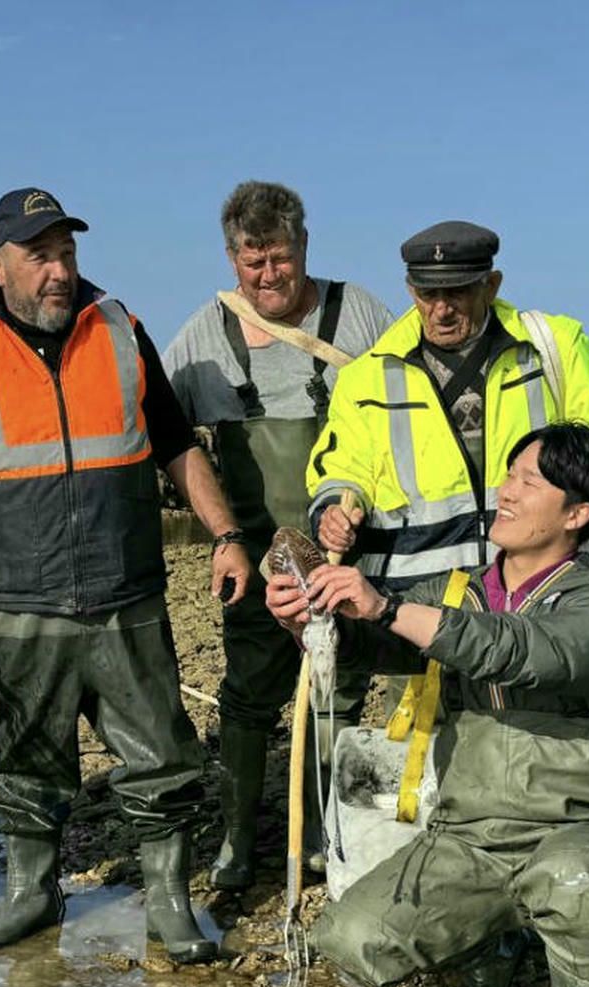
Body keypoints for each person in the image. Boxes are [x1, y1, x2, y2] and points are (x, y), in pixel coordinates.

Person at [268, 422, 589, 987]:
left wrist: (385, 603)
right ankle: (494, 941)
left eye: (528, 482)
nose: (504, 491)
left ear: (577, 514)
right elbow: (373, 643)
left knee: (581, 891)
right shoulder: (460, 592)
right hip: (471, 831)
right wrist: (315, 619)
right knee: (352, 940)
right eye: (508, 474)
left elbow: (523, 652)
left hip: (578, 827)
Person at [0, 187, 250, 964]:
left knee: (161, 758)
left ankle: (169, 903)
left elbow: (177, 444)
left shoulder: (120, 330)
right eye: (40, 256)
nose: (59, 271)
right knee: (29, 762)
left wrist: (228, 535)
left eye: (67, 253)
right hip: (19, 602)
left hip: (125, 595)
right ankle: (32, 894)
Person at [161, 181, 393, 889]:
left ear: (304, 248)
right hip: (256, 559)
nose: (269, 275)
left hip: (352, 548)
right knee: (248, 694)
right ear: (233, 259)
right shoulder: (206, 332)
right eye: (253, 261)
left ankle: (335, 831)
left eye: (281, 258)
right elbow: (163, 430)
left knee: (342, 688)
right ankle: (237, 839)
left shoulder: (360, 315)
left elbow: (409, 422)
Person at [306, 220, 589, 585]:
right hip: (414, 602)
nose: (441, 310)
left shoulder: (557, 348)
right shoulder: (365, 378)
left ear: (491, 285)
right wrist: (333, 512)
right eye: (427, 294)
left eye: (456, 292)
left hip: (538, 588)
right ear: (410, 290)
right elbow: (343, 469)